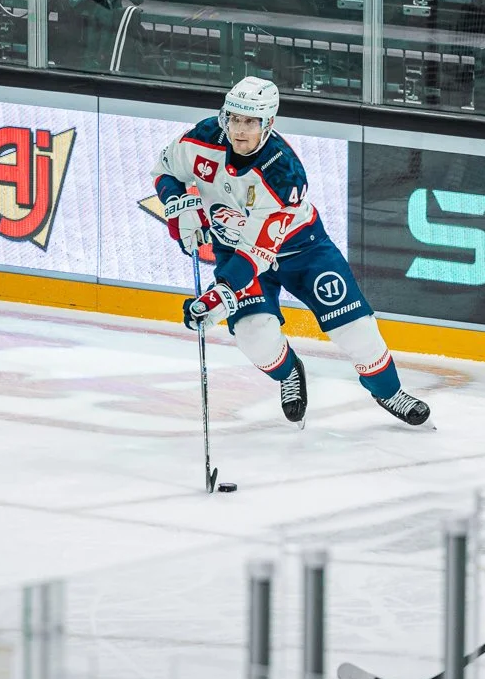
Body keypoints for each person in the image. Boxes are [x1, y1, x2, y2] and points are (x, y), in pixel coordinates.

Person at [152, 77, 429, 427]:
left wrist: (221, 294)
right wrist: (177, 203)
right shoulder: (204, 136)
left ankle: (388, 391)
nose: (239, 130)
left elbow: (258, 252)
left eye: (250, 121)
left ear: (268, 123)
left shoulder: (284, 172)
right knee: (254, 336)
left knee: (356, 329)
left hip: (302, 250)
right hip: (234, 250)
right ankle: (289, 373)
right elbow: (165, 170)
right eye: (234, 118)